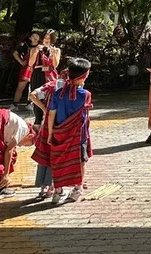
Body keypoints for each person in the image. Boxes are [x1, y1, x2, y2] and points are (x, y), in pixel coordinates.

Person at [43, 58, 92, 204]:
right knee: (80, 162)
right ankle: (77, 189)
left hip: (59, 134)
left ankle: (58, 192)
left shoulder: (58, 94)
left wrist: (50, 133)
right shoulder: (86, 94)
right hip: (79, 137)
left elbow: (51, 114)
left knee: (58, 162)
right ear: (84, 76)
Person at [28, 30, 61, 126]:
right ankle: (38, 121)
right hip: (38, 74)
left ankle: (52, 120)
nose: (47, 40)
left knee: (51, 96)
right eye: (45, 38)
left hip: (51, 75)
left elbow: (55, 65)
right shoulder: (35, 49)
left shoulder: (56, 50)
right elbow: (30, 64)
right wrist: (36, 51)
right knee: (37, 97)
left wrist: (54, 54)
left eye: (49, 38)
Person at [12, 32, 40, 110]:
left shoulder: (41, 47)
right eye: (33, 36)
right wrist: (21, 62)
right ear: (30, 38)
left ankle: (30, 103)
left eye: (37, 36)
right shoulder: (26, 46)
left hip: (37, 69)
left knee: (34, 87)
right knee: (20, 87)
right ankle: (15, 104)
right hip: (26, 68)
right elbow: (15, 53)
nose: (35, 37)